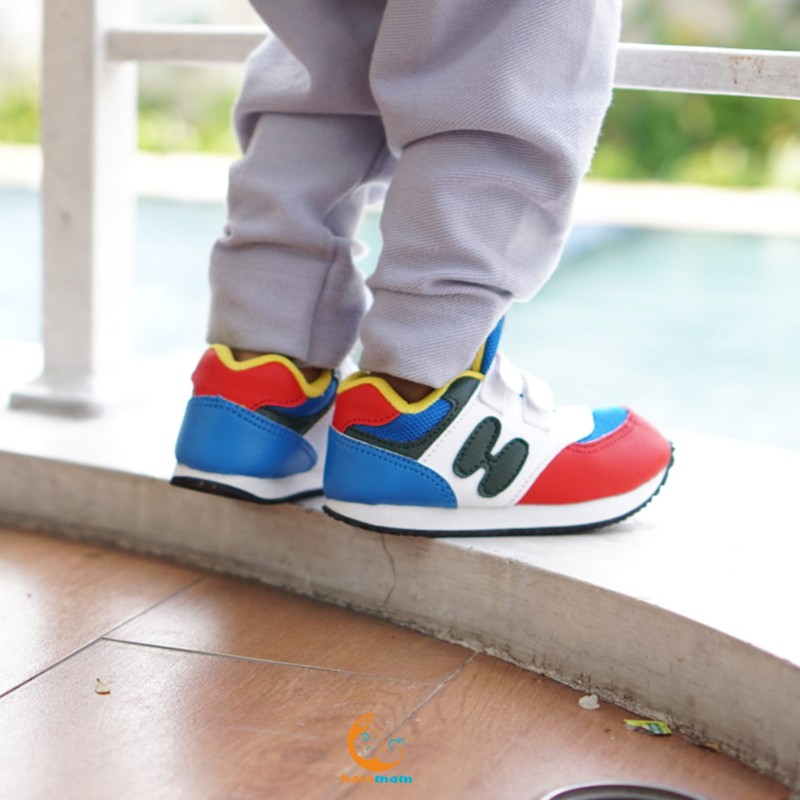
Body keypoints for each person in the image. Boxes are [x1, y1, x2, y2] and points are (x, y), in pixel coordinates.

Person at [172, 0, 673, 536]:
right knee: (499, 27)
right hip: (425, 437)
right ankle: (425, 399)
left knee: (328, 33)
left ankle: (255, 385)